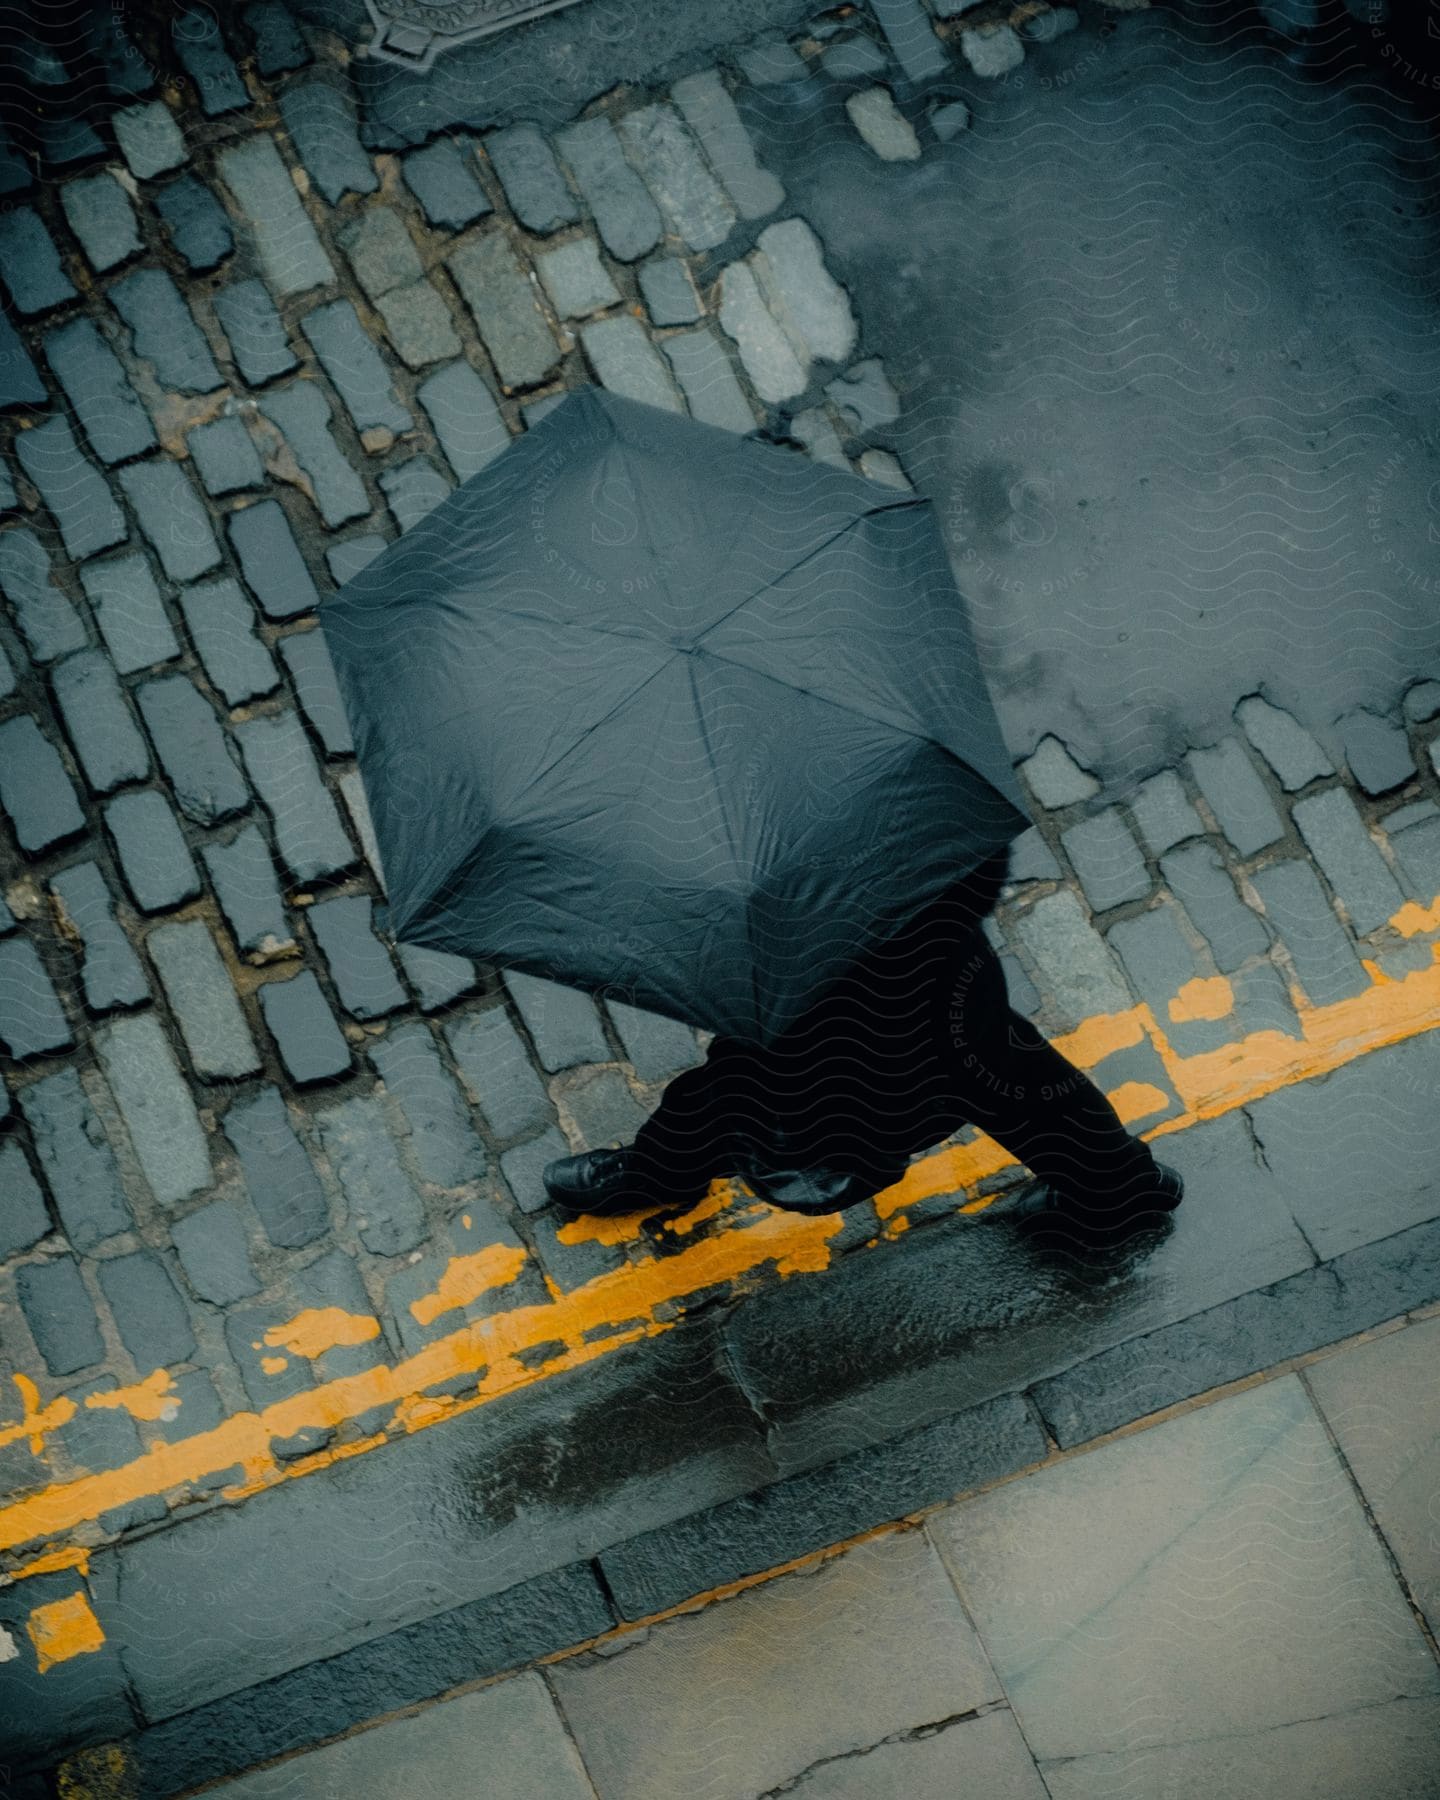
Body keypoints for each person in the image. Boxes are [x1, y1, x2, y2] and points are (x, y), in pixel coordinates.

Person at [543, 844, 1183, 1246]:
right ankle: (1118, 1190)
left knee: (738, 1094)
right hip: (932, 952)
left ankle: (661, 1169)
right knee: (1012, 1075)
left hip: (844, 986)